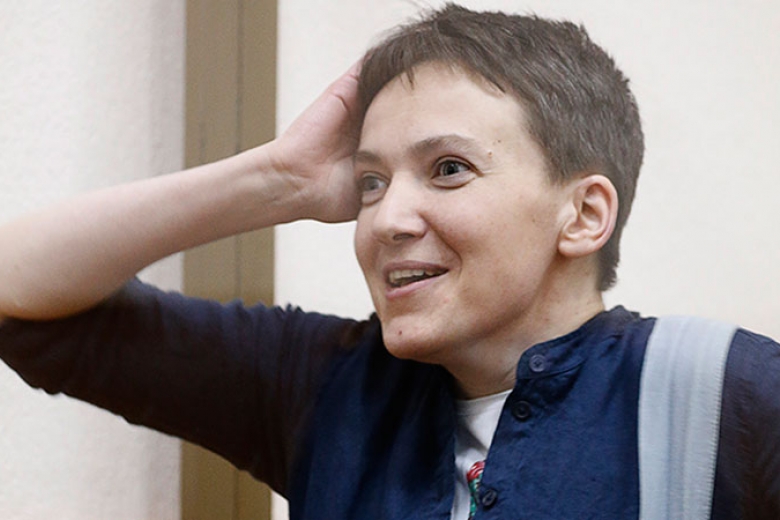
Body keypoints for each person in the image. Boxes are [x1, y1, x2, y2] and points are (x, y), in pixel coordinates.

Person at [0, 3, 778, 519]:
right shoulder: (323, 387)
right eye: (371, 182)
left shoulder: (728, 393)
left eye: (448, 169)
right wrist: (278, 179)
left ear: (584, 215)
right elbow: (18, 294)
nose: (386, 220)